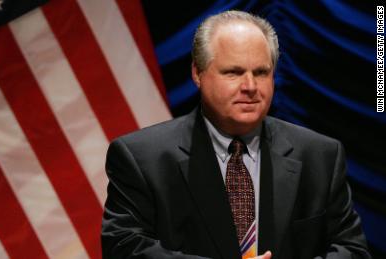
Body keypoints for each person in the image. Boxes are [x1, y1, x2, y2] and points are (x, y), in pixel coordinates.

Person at [101, 10, 370, 259]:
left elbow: (352, 250)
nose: (251, 86)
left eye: (261, 72)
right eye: (234, 72)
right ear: (198, 73)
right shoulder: (141, 158)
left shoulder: (320, 155)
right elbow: (123, 247)